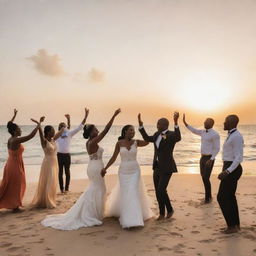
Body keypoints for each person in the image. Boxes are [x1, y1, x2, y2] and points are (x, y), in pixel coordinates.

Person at [41, 109, 121, 230]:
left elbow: (102, 131)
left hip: (93, 167)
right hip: (96, 168)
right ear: (91, 133)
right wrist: (114, 116)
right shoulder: (93, 141)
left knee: (96, 189)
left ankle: (94, 212)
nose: (97, 131)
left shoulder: (89, 142)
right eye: (95, 130)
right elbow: (106, 130)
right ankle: (92, 214)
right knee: (98, 189)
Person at [102, 125, 154, 229]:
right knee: (126, 193)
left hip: (135, 171)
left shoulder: (136, 142)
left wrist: (141, 127)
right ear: (125, 131)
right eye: (131, 130)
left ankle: (134, 219)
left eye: (134, 131)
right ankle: (126, 216)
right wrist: (105, 168)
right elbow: (113, 157)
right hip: (123, 172)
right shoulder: (119, 143)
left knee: (133, 191)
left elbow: (148, 141)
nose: (132, 132)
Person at [138, 112, 181, 220]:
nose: (157, 126)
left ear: (165, 125)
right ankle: (162, 213)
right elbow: (147, 138)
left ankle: (170, 210)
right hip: (156, 166)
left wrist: (176, 122)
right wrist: (141, 126)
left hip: (167, 167)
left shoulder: (171, 135)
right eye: (157, 124)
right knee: (158, 191)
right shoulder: (157, 134)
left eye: (159, 124)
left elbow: (178, 137)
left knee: (161, 190)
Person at [0, 109, 42, 212]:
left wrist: (14, 115)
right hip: (14, 166)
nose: (21, 130)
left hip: (10, 164)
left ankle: (15, 205)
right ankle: (15, 206)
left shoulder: (11, 139)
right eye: (19, 129)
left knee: (10, 185)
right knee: (17, 184)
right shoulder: (15, 140)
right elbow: (30, 136)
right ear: (15, 131)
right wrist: (39, 124)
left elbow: (9, 124)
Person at [183, 114, 220, 204]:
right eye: (204, 121)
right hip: (202, 157)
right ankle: (209, 196)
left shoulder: (215, 134)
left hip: (209, 158)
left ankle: (208, 198)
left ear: (211, 124)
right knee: (203, 177)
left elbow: (217, 148)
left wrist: (212, 159)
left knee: (206, 178)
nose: (204, 122)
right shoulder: (203, 131)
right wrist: (185, 123)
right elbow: (194, 130)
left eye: (206, 122)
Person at [31, 118, 66, 208]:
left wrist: (64, 126)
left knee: (53, 181)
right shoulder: (44, 141)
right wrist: (39, 123)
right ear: (47, 132)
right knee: (49, 181)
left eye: (54, 130)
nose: (54, 132)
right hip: (48, 163)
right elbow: (41, 134)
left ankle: (51, 198)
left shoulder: (53, 140)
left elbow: (60, 132)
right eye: (52, 131)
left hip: (55, 163)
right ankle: (47, 201)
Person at [217, 114, 243, 234]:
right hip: (229, 166)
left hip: (232, 168)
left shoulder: (236, 136)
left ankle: (232, 226)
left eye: (226, 121)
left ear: (232, 123)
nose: (224, 123)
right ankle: (235, 225)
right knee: (230, 197)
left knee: (222, 197)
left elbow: (238, 158)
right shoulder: (231, 134)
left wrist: (227, 171)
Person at [57, 109, 89, 194]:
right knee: (60, 172)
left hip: (67, 155)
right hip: (59, 155)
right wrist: (65, 126)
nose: (63, 127)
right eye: (61, 126)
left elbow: (79, 127)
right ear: (59, 128)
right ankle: (61, 189)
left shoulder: (69, 134)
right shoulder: (57, 135)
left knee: (67, 172)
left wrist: (86, 116)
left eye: (64, 126)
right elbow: (54, 138)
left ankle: (66, 189)